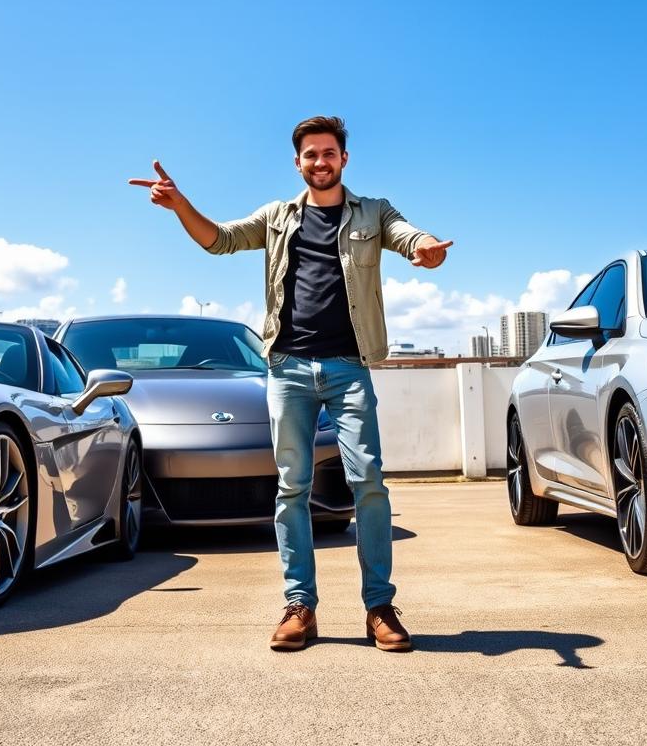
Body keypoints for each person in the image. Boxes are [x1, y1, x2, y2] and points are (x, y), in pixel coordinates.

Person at [129, 115, 452, 652]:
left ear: (343, 159)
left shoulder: (374, 211)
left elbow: (407, 236)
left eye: (329, 153)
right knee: (292, 486)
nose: (320, 162)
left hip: (349, 367)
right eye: (310, 155)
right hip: (287, 368)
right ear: (298, 162)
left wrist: (426, 250)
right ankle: (300, 606)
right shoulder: (278, 217)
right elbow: (221, 241)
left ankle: (379, 607)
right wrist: (181, 205)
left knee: (367, 480)